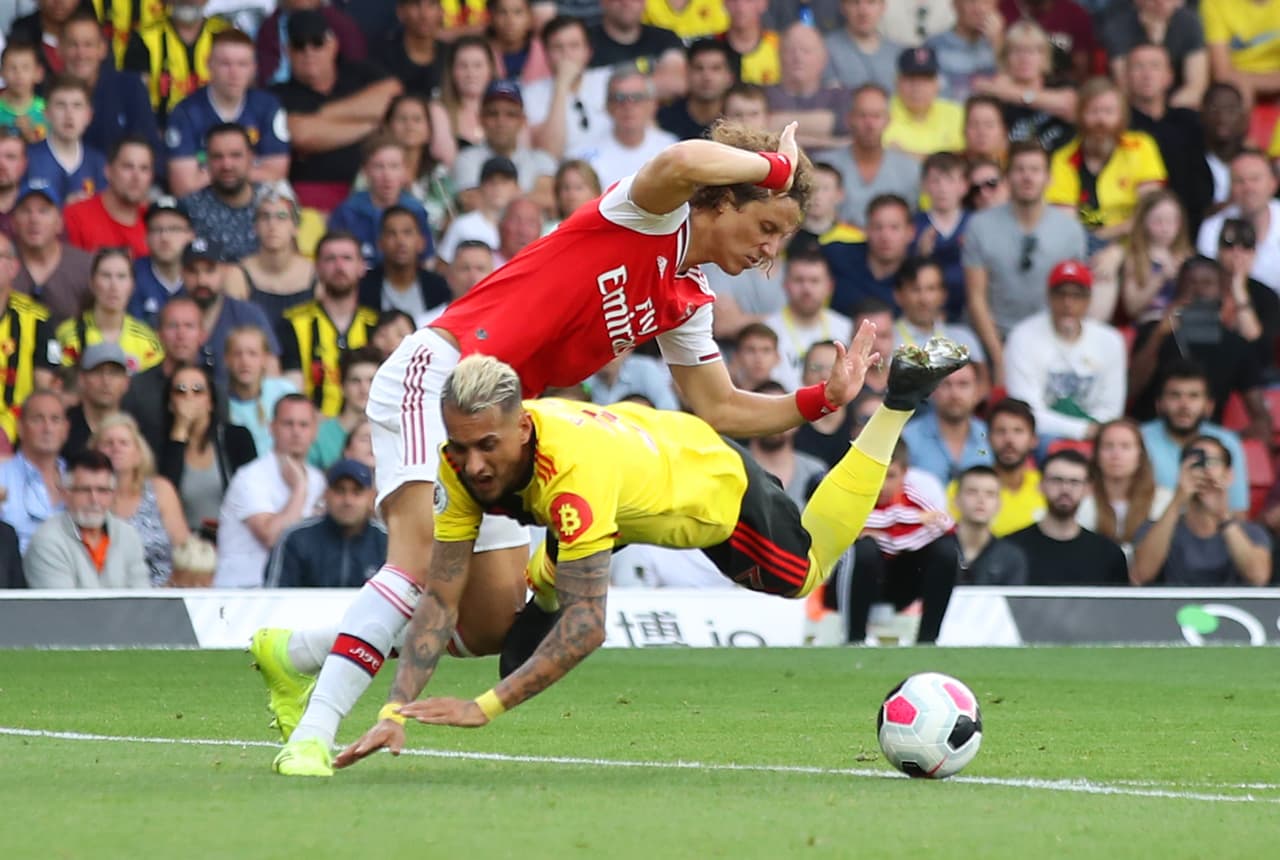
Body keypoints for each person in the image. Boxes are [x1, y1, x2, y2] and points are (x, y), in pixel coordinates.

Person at [259, 122, 871, 776]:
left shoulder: (689, 299)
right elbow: (682, 157)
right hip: (439, 374)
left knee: (494, 619)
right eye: (768, 227)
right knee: (416, 568)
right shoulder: (646, 214)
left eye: (782, 238)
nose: (770, 251)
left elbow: (718, 405)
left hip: (504, 423)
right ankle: (313, 737)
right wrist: (779, 168)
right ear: (722, 200)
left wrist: (821, 400)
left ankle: (295, 653)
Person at [330, 345, 967, 766]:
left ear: (522, 426)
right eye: (461, 445)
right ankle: (544, 581)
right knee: (527, 608)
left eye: (486, 445)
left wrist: (483, 706)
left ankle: (898, 403)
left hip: (701, 485)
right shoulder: (466, 463)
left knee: (803, 571)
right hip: (628, 467)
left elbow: (590, 627)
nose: (471, 463)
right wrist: (395, 710)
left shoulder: (570, 479)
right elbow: (439, 595)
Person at [963, 139, 1087, 384]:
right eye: (1019, 170)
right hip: (992, 337)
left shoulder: (1070, 231)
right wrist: (999, 358)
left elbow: (1074, 297)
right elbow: (976, 297)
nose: (1027, 177)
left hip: (1048, 337)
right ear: (1007, 178)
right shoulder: (980, 225)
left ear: (1048, 178)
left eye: (1035, 170)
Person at [822, 438, 958, 644]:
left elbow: (945, 523)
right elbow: (843, 523)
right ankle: (853, 639)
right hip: (843, 585)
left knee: (947, 551)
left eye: (891, 476)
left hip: (898, 581)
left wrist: (886, 533)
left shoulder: (914, 495)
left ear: (904, 473)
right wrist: (906, 519)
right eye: (876, 476)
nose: (882, 485)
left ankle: (928, 641)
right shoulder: (849, 492)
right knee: (864, 549)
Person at [270, 9, 402, 210]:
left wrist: (321, 116)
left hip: (375, 191)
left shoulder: (359, 74)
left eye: (317, 42)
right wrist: (372, 124)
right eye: (299, 45)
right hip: (310, 200)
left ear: (333, 45)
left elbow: (394, 96)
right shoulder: (278, 94)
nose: (309, 52)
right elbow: (301, 134)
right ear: (287, 51)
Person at [1128, 256, 1270, 439]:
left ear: (1221, 291)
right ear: (1178, 288)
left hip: (1206, 442)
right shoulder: (1152, 331)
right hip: (1149, 437)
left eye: (1207, 283)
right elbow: (1131, 389)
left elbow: (1261, 418)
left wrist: (1228, 442)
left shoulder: (1237, 344)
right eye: (1190, 283)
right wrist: (1159, 335)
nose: (1198, 290)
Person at [1003, 259, 1127, 442]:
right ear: (1049, 296)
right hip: (1041, 436)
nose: (1068, 303)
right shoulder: (1022, 337)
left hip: (1096, 436)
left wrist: (1094, 431)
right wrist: (1083, 430)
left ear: (1089, 299)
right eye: (1061, 294)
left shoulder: (1110, 341)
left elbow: (1111, 409)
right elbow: (1025, 412)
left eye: (1077, 295)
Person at [164, 28, 292, 197]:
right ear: (209, 64)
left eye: (242, 64)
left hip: (257, 199)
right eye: (225, 64)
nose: (234, 73)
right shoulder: (185, 111)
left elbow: (276, 175)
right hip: (202, 202)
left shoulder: (268, 106)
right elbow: (183, 186)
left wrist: (212, 173)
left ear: (254, 68)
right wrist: (247, 169)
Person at [215, 393, 325, 587]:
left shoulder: (319, 480)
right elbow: (272, 537)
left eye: (303, 425)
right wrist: (299, 490)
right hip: (243, 590)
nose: (296, 432)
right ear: (271, 428)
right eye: (288, 424)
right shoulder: (250, 477)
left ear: (315, 431)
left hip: (292, 591)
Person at [1131, 436, 1271, 587]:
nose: (1206, 470)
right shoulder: (1155, 529)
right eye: (1196, 462)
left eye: (1213, 462)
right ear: (1181, 472)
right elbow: (1141, 574)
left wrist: (1223, 517)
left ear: (1229, 476)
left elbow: (1258, 577)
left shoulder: (1251, 533)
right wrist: (1177, 501)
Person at [1045, 77, 1167, 249]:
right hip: (1082, 249)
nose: (1101, 120)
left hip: (1136, 245)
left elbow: (1150, 211)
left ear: (1122, 116)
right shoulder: (1063, 158)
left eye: (1109, 112)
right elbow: (1066, 226)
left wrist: (1108, 244)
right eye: (1093, 111)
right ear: (1079, 116)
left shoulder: (1141, 146)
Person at [278, 232, 379, 416]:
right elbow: (290, 388)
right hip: (312, 434)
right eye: (330, 259)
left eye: (347, 258)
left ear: (362, 267)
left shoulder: (376, 325)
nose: (339, 266)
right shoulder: (292, 323)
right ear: (317, 267)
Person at [24, 449, 151, 589]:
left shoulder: (128, 535)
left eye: (102, 490)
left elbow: (142, 599)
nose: (94, 500)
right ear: (66, 493)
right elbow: (61, 607)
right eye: (84, 490)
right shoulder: (47, 540)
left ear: (113, 494)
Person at [91, 413, 192, 586]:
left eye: (124, 443)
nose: (116, 448)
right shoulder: (87, 495)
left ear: (138, 453)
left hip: (166, 593)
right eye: (108, 443)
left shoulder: (160, 490)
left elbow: (185, 550)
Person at [1139, 361, 1250, 517]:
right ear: (1159, 404)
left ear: (1209, 406)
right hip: (1150, 532)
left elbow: (1238, 512)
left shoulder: (1228, 442)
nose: (1184, 405)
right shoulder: (1138, 439)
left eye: (1194, 396)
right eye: (1175, 396)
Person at [1004, 449, 1129, 586]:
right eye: (1057, 480)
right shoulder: (1010, 550)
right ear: (1041, 485)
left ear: (1087, 489)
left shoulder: (1109, 555)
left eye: (1074, 482)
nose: (1065, 489)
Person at [163, 362, 259, 534]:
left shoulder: (236, 438)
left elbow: (253, 494)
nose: (189, 397)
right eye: (180, 391)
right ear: (170, 403)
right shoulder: (161, 446)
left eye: (198, 390)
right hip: (185, 547)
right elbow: (165, 496)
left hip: (232, 540)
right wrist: (180, 431)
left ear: (210, 402)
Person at [265, 458, 387, 587]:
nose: (348, 501)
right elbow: (275, 598)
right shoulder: (296, 539)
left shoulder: (387, 542)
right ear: (326, 494)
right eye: (340, 491)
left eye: (357, 492)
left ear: (371, 497)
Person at [58, 10, 162, 159]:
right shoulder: (45, 91)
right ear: (59, 49)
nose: (81, 54)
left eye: (88, 45)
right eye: (73, 45)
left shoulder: (131, 87)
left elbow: (149, 150)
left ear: (103, 49)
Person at [818, 85, 920, 228]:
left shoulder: (910, 170)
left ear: (888, 120)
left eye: (877, 116)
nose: (870, 124)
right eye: (862, 115)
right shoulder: (824, 166)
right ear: (849, 119)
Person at [184, 238, 281, 385]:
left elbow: (271, 374)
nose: (201, 280)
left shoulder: (249, 314)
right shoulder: (170, 314)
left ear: (224, 271)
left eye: (210, 270)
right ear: (182, 274)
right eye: (193, 271)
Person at [328, 135, 435, 268]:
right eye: (379, 166)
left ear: (405, 171)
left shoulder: (416, 211)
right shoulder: (347, 212)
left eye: (394, 166)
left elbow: (426, 260)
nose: (387, 175)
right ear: (366, 171)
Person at [970, 19, 1076, 154]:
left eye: (1032, 51)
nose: (1024, 58)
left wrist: (1011, 93)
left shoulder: (1060, 85)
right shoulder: (996, 100)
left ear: (1044, 57)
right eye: (1016, 51)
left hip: (1062, 168)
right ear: (1006, 57)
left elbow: (1071, 107)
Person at [221, 182, 316, 329]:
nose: (272, 225)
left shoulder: (316, 273)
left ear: (296, 227)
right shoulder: (238, 275)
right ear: (255, 226)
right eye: (265, 217)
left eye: (281, 217)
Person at [56, 247, 164, 375]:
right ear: (92, 282)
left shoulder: (148, 341)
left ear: (132, 285)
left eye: (121, 276)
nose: (114, 285)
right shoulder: (67, 334)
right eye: (106, 276)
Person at [121, 0, 234, 123]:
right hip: (161, 129)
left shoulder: (225, 36)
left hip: (219, 128)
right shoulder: (144, 39)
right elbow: (135, 101)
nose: (188, 1)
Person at [1076, 418, 1174, 558]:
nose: (1116, 455)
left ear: (1140, 455)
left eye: (1125, 447)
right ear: (1096, 454)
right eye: (1108, 446)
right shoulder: (1081, 499)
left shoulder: (1164, 500)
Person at [947, 397, 1042, 537]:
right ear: (988, 439)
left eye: (1018, 431)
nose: (1009, 439)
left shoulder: (1047, 487)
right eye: (1000, 431)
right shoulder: (962, 488)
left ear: (1034, 440)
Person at [451, 81, 557, 203]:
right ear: (480, 119)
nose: (501, 121)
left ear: (522, 121)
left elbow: (549, 203)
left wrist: (493, 198)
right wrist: (530, 196)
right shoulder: (466, 159)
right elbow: (472, 203)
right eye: (493, 114)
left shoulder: (541, 160)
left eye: (510, 114)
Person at [525, 15, 612, 162]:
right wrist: (561, 86)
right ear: (545, 54)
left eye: (574, 46)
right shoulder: (531, 93)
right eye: (558, 47)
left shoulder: (609, 80)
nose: (567, 55)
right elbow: (549, 154)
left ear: (588, 51)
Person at [761, 248, 851, 390]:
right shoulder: (767, 330)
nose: (807, 289)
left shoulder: (846, 328)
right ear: (785, 284)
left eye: (814, 281)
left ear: (829, 286)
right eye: (799, 280)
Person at [10, 179, 91, 327]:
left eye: (43, 211)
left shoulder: (85, 266)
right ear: (14, 222)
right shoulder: (4, 262)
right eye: (26, 211)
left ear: (60, 223)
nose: (34, 219)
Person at [1197, 151, 1280, 293]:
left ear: (1273, 183)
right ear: (1230, 189)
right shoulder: (1212, 229)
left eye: (1255, 179)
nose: (1248, 188)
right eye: (1239, 181)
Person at [580, 68, 678, 189]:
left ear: (653, 104)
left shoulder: (672, 150)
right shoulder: (587, 157)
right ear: (607, 105)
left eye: (637, 97)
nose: (628, 106)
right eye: (620, 98)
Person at [1101, 0, 1206, 111]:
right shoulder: (1118, 26)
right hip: (1135, 107)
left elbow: (1196, 86)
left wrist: (1165, 112)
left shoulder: (1189, 22)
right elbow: (1124, 85)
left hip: (1178, 105)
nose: (1161, 2)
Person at [180, 123, 263, 261]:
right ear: (206, 160)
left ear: (251, 158)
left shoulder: (270, 202)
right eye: (217, 156)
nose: (227, 165)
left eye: (235, 155)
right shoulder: (189, 209)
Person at [62, 135, 152, 259]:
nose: (136, 177)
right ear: (108, 171)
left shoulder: (155, 222)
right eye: (127, 167)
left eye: (144, 169)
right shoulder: (76, 216)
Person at [902, 360, 991, 485]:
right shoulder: (909, 437)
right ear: (932, 390)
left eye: (963, 384)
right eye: (946, 384)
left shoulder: (990, 436)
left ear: (978, 391)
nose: (954, 394)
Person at [1112, 189, 1194, 326]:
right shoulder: (1135, 258)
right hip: (1148, 324)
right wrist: (1160, 277)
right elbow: (1132, 308)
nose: (1165, 228)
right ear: (1143, 222)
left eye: (1171, 221)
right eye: (1157, 221)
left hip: (1182, 324)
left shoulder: (1188, 257)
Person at [0, 390, 67, 553]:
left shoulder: (78, 476)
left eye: (55, 419)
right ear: (20, 427)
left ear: (65, 429)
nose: (47, 428)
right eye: (37, 419)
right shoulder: (2, 475)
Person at [357, 206, 451, 322]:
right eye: (392, 234)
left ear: (421, 242)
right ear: (380, 244)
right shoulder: (362, 288)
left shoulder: (439, 288)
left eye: (407, 233)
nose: (400, 241)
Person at [766, 23, 850, 151]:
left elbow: (847, 132)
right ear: (779, 56)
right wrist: (832, 142)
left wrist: (781, 122)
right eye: (790, 50)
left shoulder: (840, 97)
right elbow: (757, 132)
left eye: (806, 51)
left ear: (824, 58)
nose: (798, 57)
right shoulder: (762, 95)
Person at [746, 380, 831, 506]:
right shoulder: (734, 467)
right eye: (764, 413)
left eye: (781, 413)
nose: (773, 420)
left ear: (796, 421)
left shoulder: (816, 472)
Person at [24, 75, 104, 205]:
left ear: (88, 115)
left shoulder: (99, 164)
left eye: (77, 106)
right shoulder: (27, 158)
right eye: (61, 105)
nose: (69, 115)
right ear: (46, 113)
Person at [910, 151, 971, 320]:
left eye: (950, 180)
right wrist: (920, 255)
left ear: (964, 185)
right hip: (925, 313)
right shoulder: (913, 225)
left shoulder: (976, 225)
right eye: (935, 180)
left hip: (969, 310)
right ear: (924, 185)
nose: (942, 188)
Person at [826, 193, 912, 312]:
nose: (885, 236)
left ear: (910, 232)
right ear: (866, 229)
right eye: (877, 227)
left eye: (894, 227)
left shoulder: (918, 275)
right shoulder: (837, 254)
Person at [891, 256, 984, 366]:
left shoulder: (964, 340)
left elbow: (982, 382)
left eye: (931, 289)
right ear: (898, 295)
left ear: (943, 294)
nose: (924, 299)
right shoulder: (885, 342)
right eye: (915, 289)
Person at [225, 325, 298, 455]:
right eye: (237, 354)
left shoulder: (284, 390)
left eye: (252, 354)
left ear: (265, 359)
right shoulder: (221, 404)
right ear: (227, 359)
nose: (245, 361)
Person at [952, 465, 1029, 585]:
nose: (981, 500)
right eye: (972, 492)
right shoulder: (936, 550)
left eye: (990, 494)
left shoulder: (1011, 557)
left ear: (999, 504)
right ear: (956, 500)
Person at [882, 46, 964, 159]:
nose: (917, 88)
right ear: (897, 82)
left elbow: (967, 156)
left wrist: (905, 155)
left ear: (937, 84)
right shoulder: (881, 112)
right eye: (911, 79)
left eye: (925, 80)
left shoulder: (956, 113)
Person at [427, 35, 496, 168]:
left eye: (478, 65)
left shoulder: (508, 108)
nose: (471, 73)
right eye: (463, 66)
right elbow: (447, 161)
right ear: (452, 71)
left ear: (490, 69)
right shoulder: (438, 110)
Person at [436, 156, 519, 262]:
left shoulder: (524, 228)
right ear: (481, 186)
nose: (498, 187)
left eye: (504, 182)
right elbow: (444, 265)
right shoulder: (462, 225)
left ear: (516, 188)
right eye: (492, 182)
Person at [129, 198, 196, 326]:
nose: (164, 238)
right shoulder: (131, 275)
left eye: (174, 229)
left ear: (190, 235)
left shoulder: (201, 278)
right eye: (156, 229)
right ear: (146, 237)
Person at [309, 346, 379, 469]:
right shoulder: (319, 435)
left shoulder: (392, 432)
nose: (364, 389)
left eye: (371, 381)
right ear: (342, 387)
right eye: (355, 381)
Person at [1203, 0, 1280, 107]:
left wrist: (1251, 82)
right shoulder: (1216, 3)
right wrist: (1247, 84)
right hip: (1236, 86)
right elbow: (1221, 73)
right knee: (1231, 95)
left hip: (1271, 83)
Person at [656, 39, 735, 142]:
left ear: (730, 77)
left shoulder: (739, 119)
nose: (707, 76)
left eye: (716, 68)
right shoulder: (664, 120)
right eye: (699, 68)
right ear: (687, 74)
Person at [63, 343, 130, 458]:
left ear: (126, 382)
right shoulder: (64, 426)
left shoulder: (136, 428)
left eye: (114, 373)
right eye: (97, 372)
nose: (106, 381)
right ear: (82, 379)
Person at [926, 0, 1000, 102]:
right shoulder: (934, 46)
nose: (980, 9)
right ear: (955, 5)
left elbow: (1011, 90)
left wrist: (998, 44)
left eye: (986, 2)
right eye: (971, 2)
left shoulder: (1000, 43)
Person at [823, 0, 900, 92]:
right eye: (855, 2)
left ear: (883, 7)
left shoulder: (898, 53)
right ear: (842, 7)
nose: (863, 12)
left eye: (871, 2)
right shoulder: (825, 50)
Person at [722, 0, 780, 87]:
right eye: (733, 0)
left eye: (748, 1)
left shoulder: (779, 47)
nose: (740, 8)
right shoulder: (711, 45)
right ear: (724, 3)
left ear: (763, 3)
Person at [0, 41, 47, 144]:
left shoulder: (47, 110)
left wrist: (30, 136)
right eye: (12, 68)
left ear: (38, 73)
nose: (19, 74)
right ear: (2, 73)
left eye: (25, 68)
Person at [545, 159, 602, 232]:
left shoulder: (605, 231)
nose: (571, 194)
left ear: (595, 192)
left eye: (578, 187)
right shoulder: (549, 232)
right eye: (566, 187)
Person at [726, 321, 781, 390]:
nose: (758, 359)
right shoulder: (722, 395)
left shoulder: (788, 398)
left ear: (777, 357)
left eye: (766, 350)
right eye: (750, 350)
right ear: (737, 357)